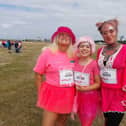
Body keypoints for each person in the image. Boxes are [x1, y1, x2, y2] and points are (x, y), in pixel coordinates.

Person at [33, 26, 76, 126]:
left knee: (61, 122)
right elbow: (38, 74)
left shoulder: (74, 55)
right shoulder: (47, 53)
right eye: (61, 34)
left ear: (71, 40)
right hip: (53, 92)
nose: (64, 37)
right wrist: (40, 93)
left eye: (67, 36)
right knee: (48, 123)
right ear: (56, 38)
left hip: (69, 93)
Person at [96, 19, 126, 126]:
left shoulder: (125, 50)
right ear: (102, 35)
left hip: (119, 95)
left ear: (117, 31)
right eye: (105, 33)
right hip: (104, 94)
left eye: (111, 31)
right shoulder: (100, 51)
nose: (108, 35)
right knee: (107, 122)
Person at [73, 36, 101, 126]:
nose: (84, 48)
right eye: (81, 46)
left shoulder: (93, 64)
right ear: (77, 48)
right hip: (76, 95)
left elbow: (98, 83)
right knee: (80, 117)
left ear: (91, 49)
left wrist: (85, 89)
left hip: (89, 97)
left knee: (86, 122)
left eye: (87, 46)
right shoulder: (74, 61)